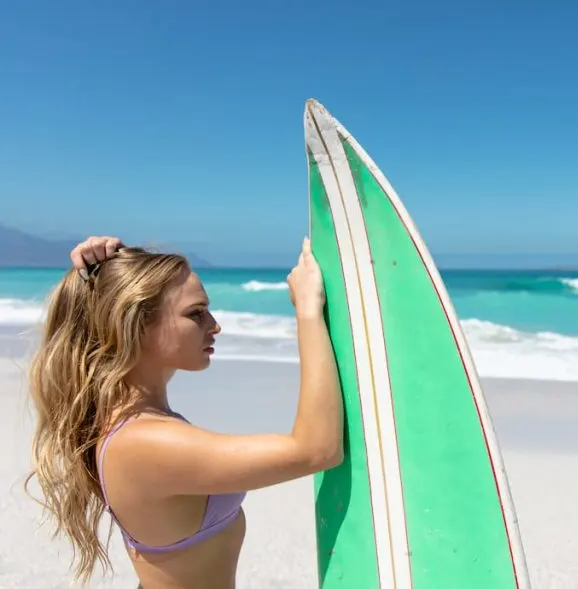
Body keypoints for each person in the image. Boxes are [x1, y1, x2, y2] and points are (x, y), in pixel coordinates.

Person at [24, 235, 344, 588]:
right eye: (196, 313)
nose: (214, 324)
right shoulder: (143, 442)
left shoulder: (131, 424)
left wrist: (112, 269)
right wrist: (308, 311)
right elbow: (317, 450)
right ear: (135, 325)